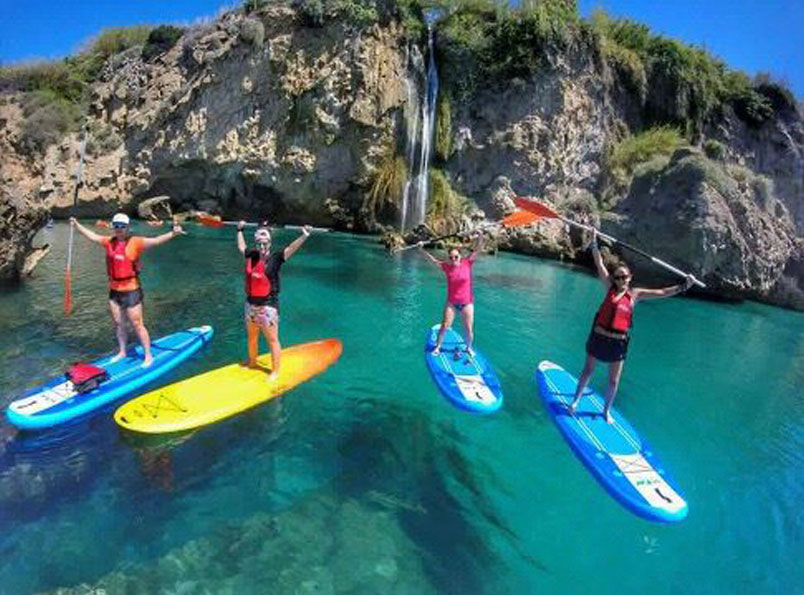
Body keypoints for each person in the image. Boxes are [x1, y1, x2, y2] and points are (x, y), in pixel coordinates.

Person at [567, 229, 695, 423]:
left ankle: (606, 411)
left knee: (613, 380)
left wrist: (685, 285)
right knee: (588, 370)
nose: (621, 280)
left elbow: (662, 292)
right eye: (618, 277)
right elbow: (599, 263)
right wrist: (594, 242)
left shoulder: (636, 295)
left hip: (618, 344)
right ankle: (575, 401)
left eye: (624, 277)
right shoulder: (609, 287)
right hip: (599, 337)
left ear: (630, 277)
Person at [70, 213, 185, 367]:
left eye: (122, 226)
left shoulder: (136, 242)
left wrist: (173, 234)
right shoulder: (108, 242)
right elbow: (92, 236)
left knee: (137, 324)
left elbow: (156, 240)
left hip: (131, 291)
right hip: (114, 291)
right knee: (119, 323)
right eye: (116, 226)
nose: (119, 229)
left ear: (128, 227)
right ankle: (122, 351)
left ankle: (148, 355)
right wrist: (77, 225)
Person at [237, 220, 312, 380]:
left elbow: (291, 248)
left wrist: (304, 236)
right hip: (250, 304)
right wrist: (239, 230)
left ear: (270, 242)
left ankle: (275, 371)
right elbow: (242, 247)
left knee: (272, 340)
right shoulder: (252, 255)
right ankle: (252, 362)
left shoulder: (276, 258)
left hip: (268, 306)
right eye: (259, 243)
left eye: (264, 242)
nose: (261, 246)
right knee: (252, 338)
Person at [419, 232, 483, 357]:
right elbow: (432, 261)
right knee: (444, 326)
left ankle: (469, 348)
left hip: (467, 303)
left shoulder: (467, 263)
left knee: (468, 329)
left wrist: (480, 236)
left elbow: (478, 249)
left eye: (456, 256)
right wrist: (421, 249)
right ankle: (438, 347)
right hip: (452, 303)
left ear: (460, 256)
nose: (453, 259)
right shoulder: (446, 267)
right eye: (451, 257)